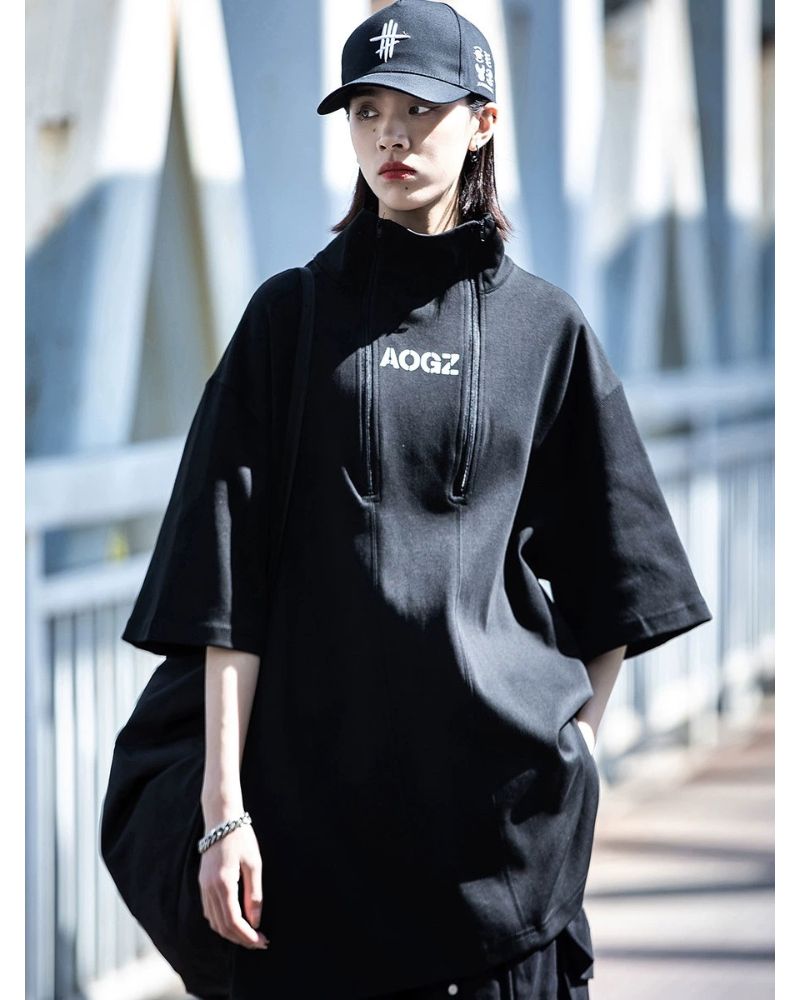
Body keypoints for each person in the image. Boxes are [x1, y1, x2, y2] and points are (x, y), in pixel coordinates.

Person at [121, 1, 713, 997]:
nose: (389, 136)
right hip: (307, 841)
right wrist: (223, 811)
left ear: (482, 122)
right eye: (367, 111)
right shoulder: (289, 319)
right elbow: (226, 585)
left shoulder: (544, 330)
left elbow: (622, 575)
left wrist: (574, 751)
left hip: (494, 855)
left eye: (419, 109)